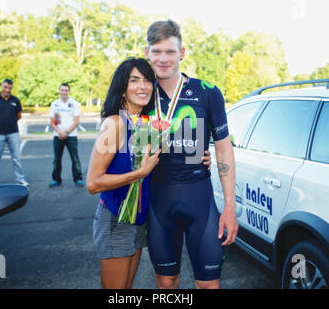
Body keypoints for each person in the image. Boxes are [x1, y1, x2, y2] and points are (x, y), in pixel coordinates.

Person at [144, 20, 238, 289]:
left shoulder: (207, 92)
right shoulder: (140, 93)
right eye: (157, 51)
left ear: (182, 53)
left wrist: (230, 208)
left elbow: (223, 148)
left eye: (170, 52)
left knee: (209, 285)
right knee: (166, 282)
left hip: (200, 201)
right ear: (147, 52)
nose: (163, 59)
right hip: (158, 203)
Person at [86, 58, 161, 289]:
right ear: (122, 88)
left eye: (148, 80)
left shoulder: (143, 124)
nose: (143, 86)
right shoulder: (116, 123)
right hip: (116, 218)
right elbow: (93, 183)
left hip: (137, 220)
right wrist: (139, 173)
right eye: (134, 80)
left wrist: (204, 158)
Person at [0, 79, 28, 189]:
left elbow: (19, 116)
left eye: (9, 88)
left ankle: (20, 180)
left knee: (16, 158)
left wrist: (9, 121)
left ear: (11, 88)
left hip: (13, 133)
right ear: (2, 86)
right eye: (5, 87)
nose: (7, 89)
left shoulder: (15, 100)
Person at [49, 83, 84, 188]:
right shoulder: (55, 104)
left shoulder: (74, 104)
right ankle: (56, 180)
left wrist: (67, 132)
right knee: (57, 159)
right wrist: (60, 132)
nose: (64, 92)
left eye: (66, 90)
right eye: (62, 90)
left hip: (71, 136)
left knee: (75, 158)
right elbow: (52, 121)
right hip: (58, 136)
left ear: (69, 91)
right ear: (59, 91)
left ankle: (78, 179)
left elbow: (76, 121)